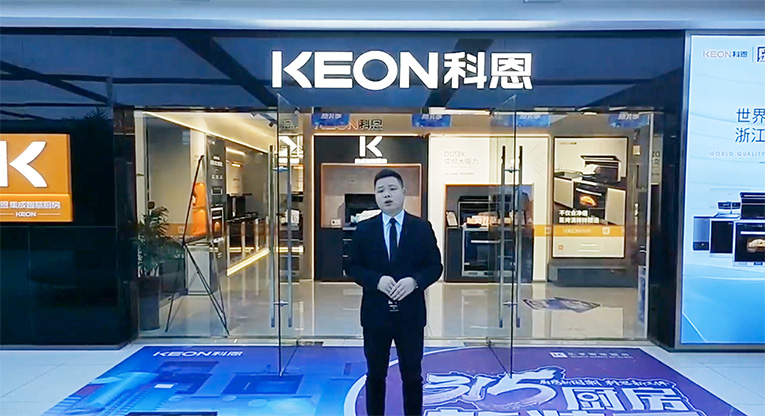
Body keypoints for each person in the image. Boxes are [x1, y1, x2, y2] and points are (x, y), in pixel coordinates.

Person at [345, 168, 443, 416]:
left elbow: (435, 267)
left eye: (392, 189)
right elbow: (351, 267)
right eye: (380, 191)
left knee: (412, 375)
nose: (386, 195)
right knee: (375, 375)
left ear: (403, 192)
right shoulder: (364, 230)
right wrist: (376, 280)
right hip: (375, 315)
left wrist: (415, 282)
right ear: (375, 196)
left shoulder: (421, 228)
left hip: (410, 315)